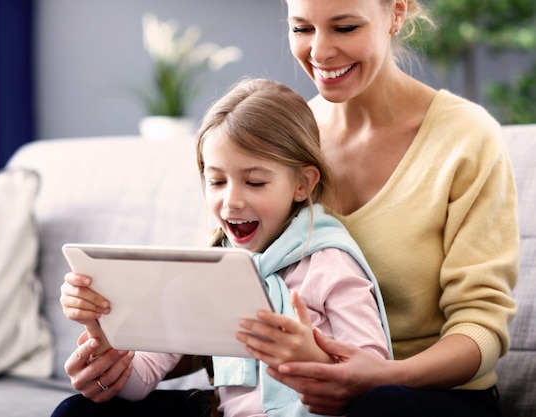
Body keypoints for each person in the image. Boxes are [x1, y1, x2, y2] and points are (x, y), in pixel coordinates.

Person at [234, 0, 517, 416]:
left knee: (378, 406)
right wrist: (133, 357)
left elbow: (482, 327)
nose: (319, 52)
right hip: (296, 397)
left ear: (397, 13)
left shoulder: (467, 139)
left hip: (427, 395)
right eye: (302, 29)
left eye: (345, 28)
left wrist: (383, 376)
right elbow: (238, 295)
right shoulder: (285, 139)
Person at [52, 77, 392, 417]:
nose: (231, 201)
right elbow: (140, 381)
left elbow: (375, 384)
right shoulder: (206, 274)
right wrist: (102, 337)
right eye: (216, 181)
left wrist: (310, 357)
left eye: (255, 182)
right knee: (76, 412)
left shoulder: (329, 263)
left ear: (302, 184)